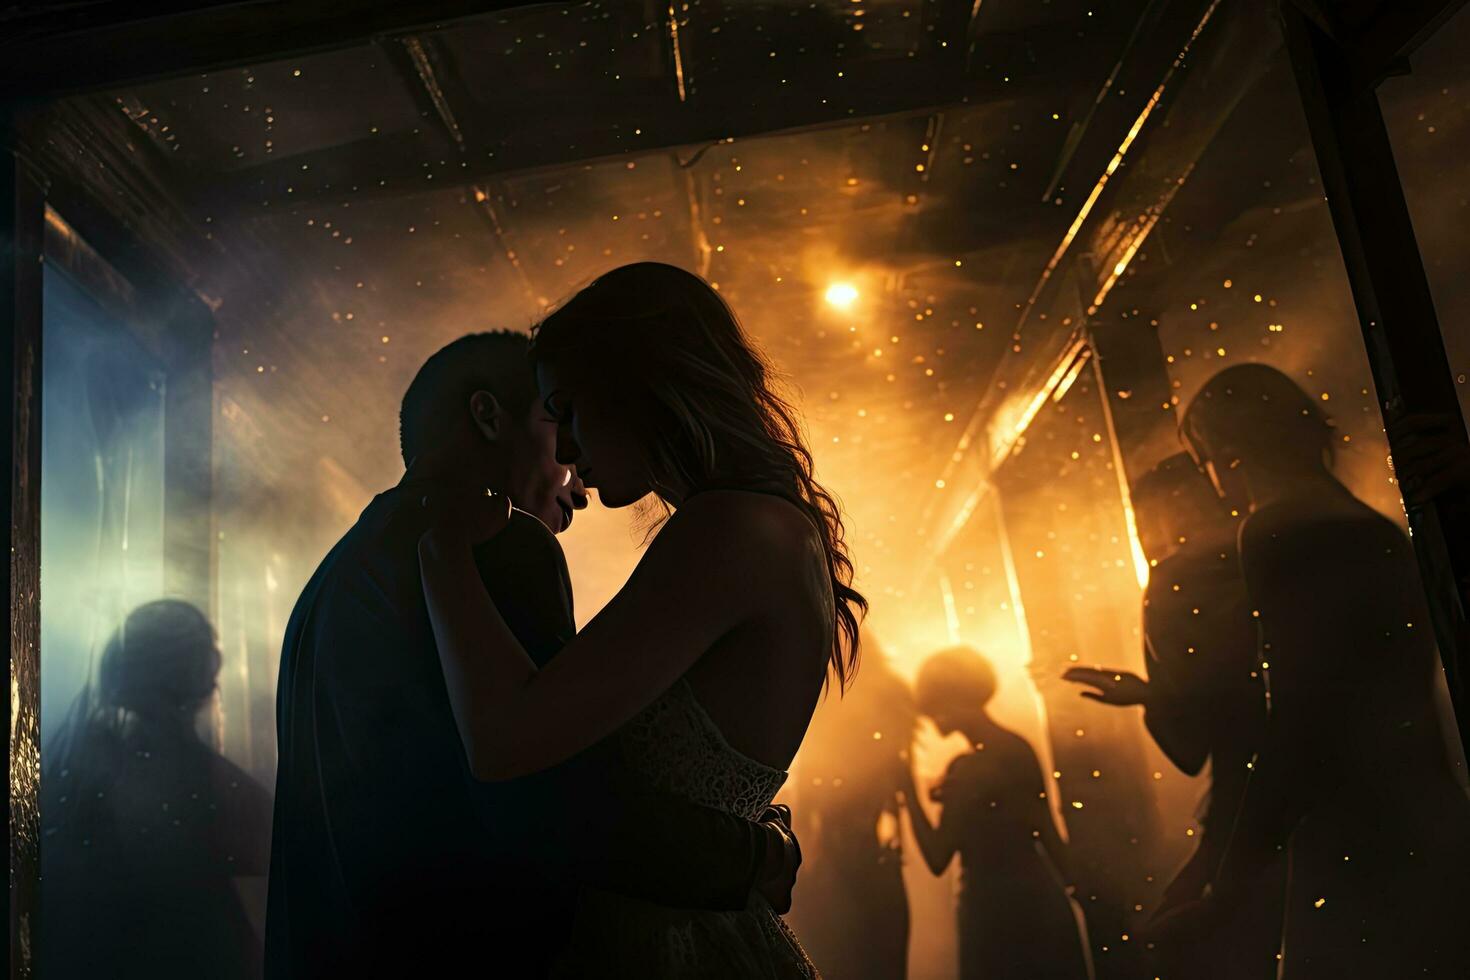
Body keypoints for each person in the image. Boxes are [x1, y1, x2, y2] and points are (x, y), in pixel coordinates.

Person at [266, 331, 801, 978]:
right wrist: (750, 856)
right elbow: (555, 802)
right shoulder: (502, 544)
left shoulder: (332, 578)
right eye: (560, 425)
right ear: (489, 416)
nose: (579, 489)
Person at [416, 263, 867, 976]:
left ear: (642, 387)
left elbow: (504, 743)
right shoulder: (762, 525)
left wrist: (442, 552)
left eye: (569, 408)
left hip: (670, 948)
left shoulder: (729, 530)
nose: (565, 449)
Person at [1171, 363, 1470, 977]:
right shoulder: (1376, 529)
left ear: (1226, 458)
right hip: (1427, 807)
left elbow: (1299, 723)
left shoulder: (1274, 531)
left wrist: (1226, 888)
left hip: (1355, 832)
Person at [1063, 452, 1283, 979]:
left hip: (1243, 809)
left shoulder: (1172, 583)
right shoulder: (1271, 553)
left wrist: (1148, 695)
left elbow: (1188, 749)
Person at [41, 600, 273, 980]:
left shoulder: (74, 762)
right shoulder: (203, 780)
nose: (215, 680)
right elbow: (272, 846)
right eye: (206, 662)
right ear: (194, 676)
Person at [900, 646, 1092, 980]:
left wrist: (907, 791)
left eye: (935, 705)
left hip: (992, 910)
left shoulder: (968, 769)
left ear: (952, 701)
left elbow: (936, 857)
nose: (931, 717)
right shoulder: (1016, 747)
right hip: (1039, 897)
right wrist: (1078, 890)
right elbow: (1045, 827)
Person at [789, 633, 913, 979]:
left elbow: (811, 796)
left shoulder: (826, 706)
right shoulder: (891, 711)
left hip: (833, 867)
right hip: (876, 865)